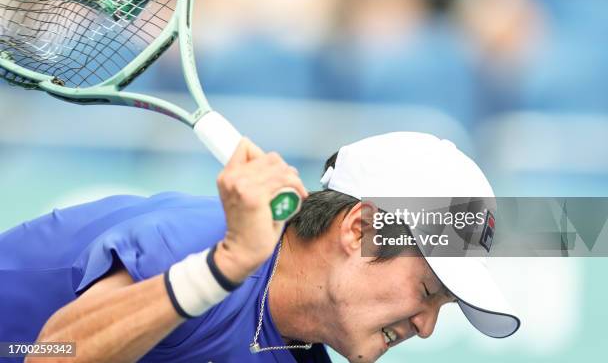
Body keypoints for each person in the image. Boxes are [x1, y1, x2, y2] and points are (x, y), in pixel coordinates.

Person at [0, 132, 520, 363]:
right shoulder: (198, 242)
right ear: (359, 231)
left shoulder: (294, 350)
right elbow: (52, 358)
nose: (426, 328)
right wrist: (223, 269)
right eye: (428, 290)